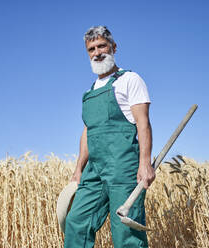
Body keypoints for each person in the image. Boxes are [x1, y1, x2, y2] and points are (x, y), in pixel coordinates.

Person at [64, 26, 155, 248]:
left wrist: (145, 163)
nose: (97, 52)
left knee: (126, 232)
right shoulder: (90, 91)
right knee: (76, 222)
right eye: (91, 49)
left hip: (123, 168)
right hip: (94, 170)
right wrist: (78, 169)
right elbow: (88, 131)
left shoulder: (130, 80)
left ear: (113, 47)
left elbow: (143, 122)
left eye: (101, 46)